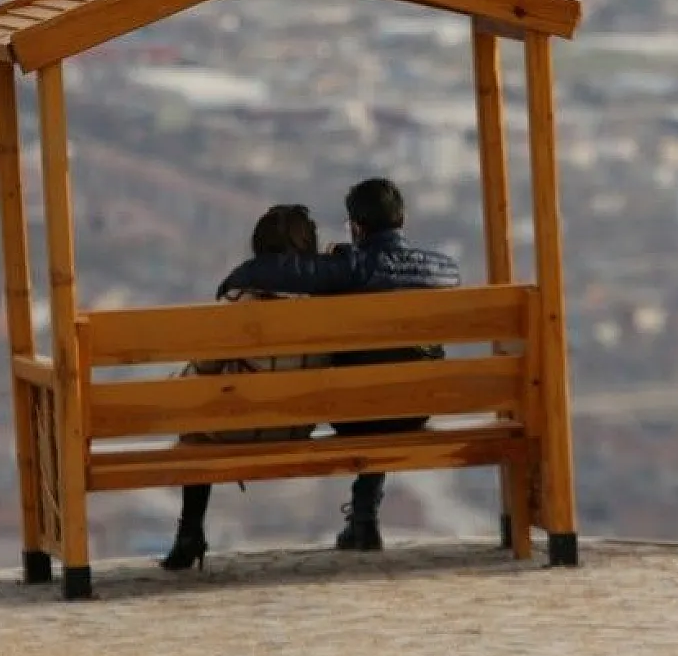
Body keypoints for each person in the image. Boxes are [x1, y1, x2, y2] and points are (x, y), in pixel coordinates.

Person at [217, 176, 460, 552]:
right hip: (418, 406)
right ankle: (363, 518)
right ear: (402, 220)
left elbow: (285, 270)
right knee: (386, 379)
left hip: (356, 411)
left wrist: (239, 276)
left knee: (368, 387)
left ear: (357, 226)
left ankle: (363, 520)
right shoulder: (443, 270)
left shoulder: (351, 267)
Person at [160, 204, 330, 572]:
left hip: (237, 430)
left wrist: (182, 384)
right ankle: (364, 520)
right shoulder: (326, 306)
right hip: (298, 425)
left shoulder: (238, 304)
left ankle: (189, 533)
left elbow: (205, 368)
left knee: (194, 413)